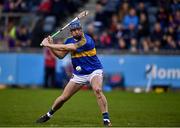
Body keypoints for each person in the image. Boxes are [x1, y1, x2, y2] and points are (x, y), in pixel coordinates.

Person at [36, 20, 112, 127]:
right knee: (63, 98)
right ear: (71, 32)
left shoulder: (86, 40)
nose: (76, 32)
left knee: (97, 90)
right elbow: (60, 55)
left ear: (81, 30)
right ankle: (49, 114)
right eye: (74, 30)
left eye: (78, 29)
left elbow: (69, 47)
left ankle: (106, 119)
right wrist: (50, 45)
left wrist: (49, 44)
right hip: (79, 74)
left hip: (94, 71)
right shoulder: (68, 40)